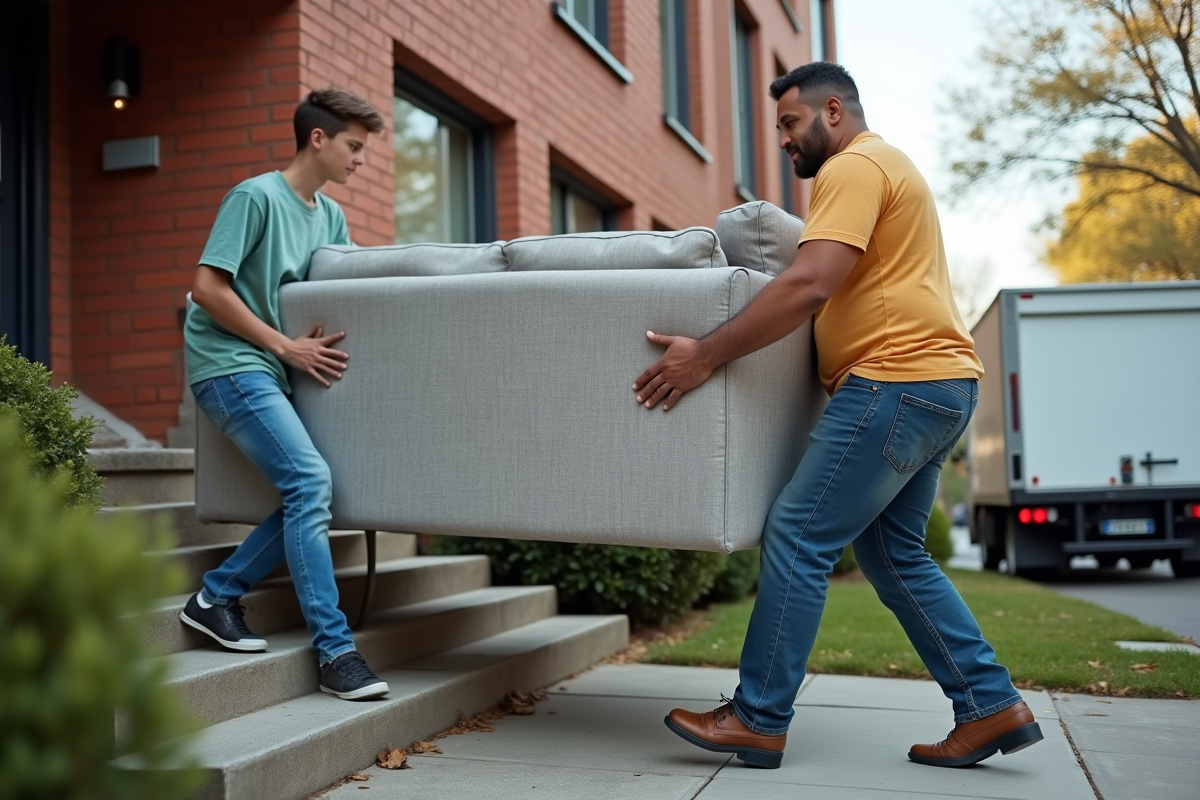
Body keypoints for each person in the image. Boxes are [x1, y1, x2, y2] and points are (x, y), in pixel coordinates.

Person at [633, 63, 1042, 768]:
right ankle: (989, 704)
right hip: (941, 385)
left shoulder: (853, 168)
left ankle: (758, 717)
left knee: (797, 534)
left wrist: (706, 354)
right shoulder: (890, 166)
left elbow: (810, 283)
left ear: (832, 113)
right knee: (892, 554)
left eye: (791, 124)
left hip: (895, 382)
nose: (785, 141)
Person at [179, 88, 390, 701]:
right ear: (318, 139)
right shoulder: (254, 196)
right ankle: (336, 651)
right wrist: (285, 346)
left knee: (315, 488)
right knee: (310, 483)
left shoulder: (330, 217)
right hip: (228, 364)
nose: (360, 160)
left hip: (275, 370)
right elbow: (208, 288)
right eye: (354, 146)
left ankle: (215, 595)